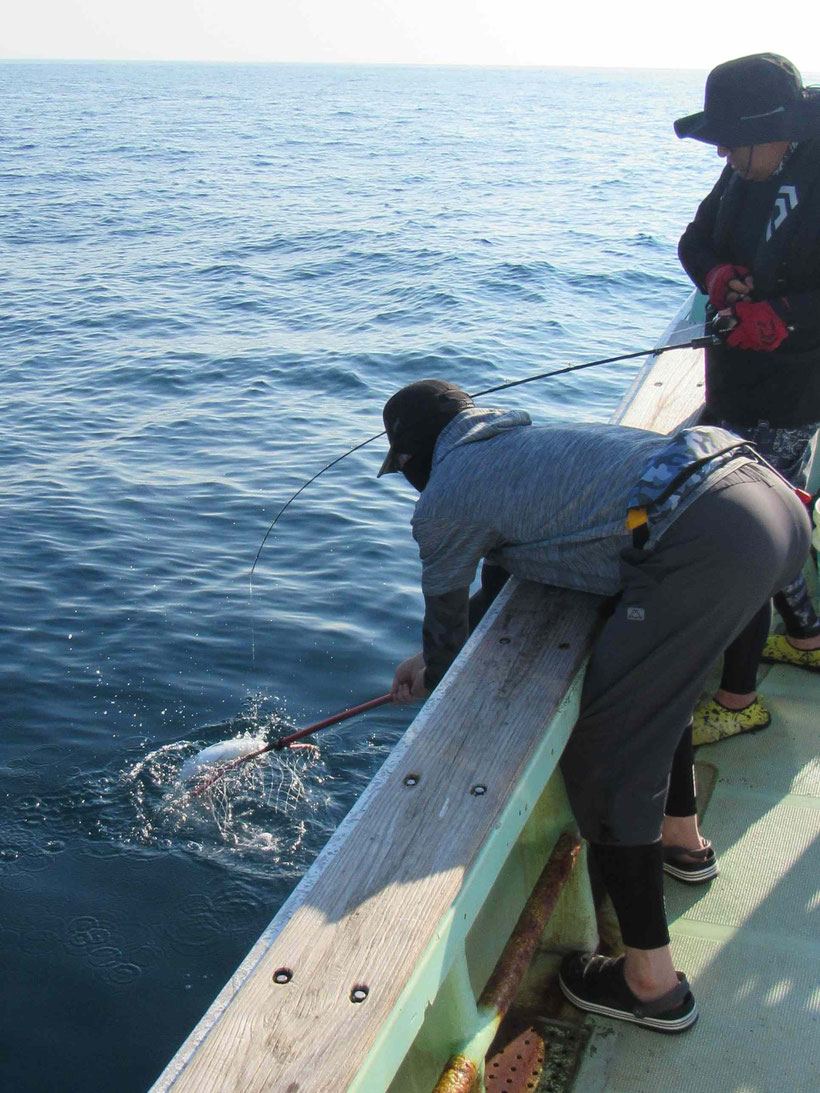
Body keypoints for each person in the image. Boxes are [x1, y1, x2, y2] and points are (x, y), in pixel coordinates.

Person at [379, 379, 810, 1032]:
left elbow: (444, 646)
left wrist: (436, 691)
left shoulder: (443, 497)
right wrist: (434, 652)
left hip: (707, 539)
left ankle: (651, 984)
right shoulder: (517, 446)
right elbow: (506, 572)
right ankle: (681, 840)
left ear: (411, 460)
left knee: (605, 758)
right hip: (765, 498)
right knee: (653, 692)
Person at [674, 53, 820, 745]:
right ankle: (810, 637)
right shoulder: (741, 173)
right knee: (781, 508)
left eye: (732, 140)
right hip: (732, 379)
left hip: (792, 387)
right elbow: (693, 240)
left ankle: (737, 701)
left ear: (776, 130)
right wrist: (720, 274)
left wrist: (784, 315)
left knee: (752, 535)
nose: (724, 153)